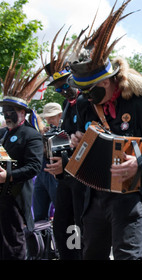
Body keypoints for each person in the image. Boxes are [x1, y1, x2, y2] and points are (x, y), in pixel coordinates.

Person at [68, 0, 142, 260]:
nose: (89, 97)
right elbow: (83, 139)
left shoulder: (141, 104)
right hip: (93, 197)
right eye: (84, 92)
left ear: (112, 79)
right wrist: (77, 141)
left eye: (95, 90)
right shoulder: (85, 105)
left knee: (129, 257)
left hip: (129, 196)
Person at [42, 31, 87, 260]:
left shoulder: (86, 101)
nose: (63, 90)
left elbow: (90, 142)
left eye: (65, 84)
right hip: (68, 178)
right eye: (58, 88)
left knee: (80, 228)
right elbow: (68, 138)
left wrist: (67, 161)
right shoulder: (68, 105)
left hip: (85, 178)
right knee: (63, 227)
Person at [0, 64, 45, 259]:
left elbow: (34, 167)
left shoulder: (31, 135)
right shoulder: (2, 134)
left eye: (10, 111)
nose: (6, 114)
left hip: (16, 197)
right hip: (1, 196)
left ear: (23, 112)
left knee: (13, 243)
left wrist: (8, 176)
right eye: (4, 111)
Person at [32, 103, 62, 222]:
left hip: (57, 172)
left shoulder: (66, 129)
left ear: (60, 116)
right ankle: (41, 239)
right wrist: (43, 137)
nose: (48, 120)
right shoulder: (46, 130)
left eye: (51, 117)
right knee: (39, 211)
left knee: (60, 210)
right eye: (47, 118)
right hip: (43, 170)